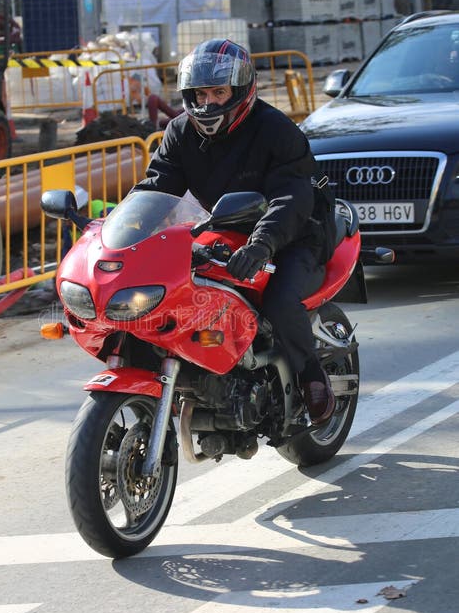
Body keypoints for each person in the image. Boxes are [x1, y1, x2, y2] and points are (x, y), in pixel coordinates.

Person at [132, 38, 337, 425]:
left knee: (278, 300)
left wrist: (262, 245)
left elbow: (291, 199)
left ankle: (311, 373)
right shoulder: (179, 133)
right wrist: (119, 230)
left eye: (219, 92)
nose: (208, 103)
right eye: (200, 93)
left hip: (294, 234)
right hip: (228, 232)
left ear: (241, 92)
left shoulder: (276, 130)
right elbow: (156, 187)